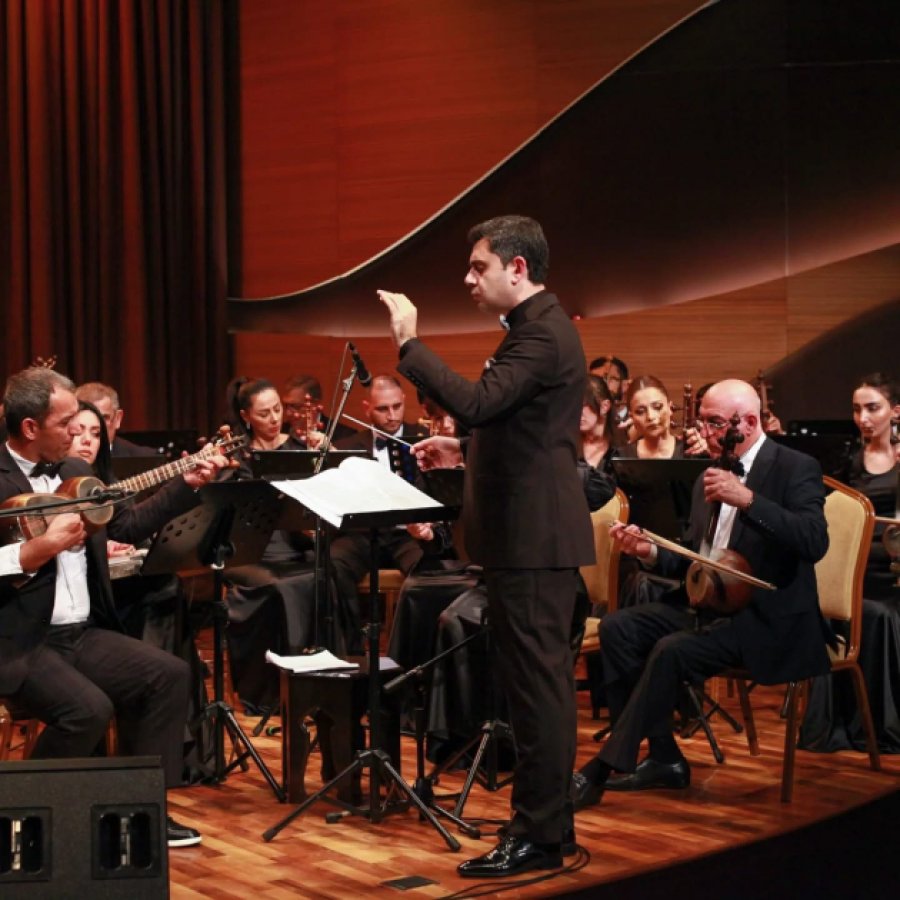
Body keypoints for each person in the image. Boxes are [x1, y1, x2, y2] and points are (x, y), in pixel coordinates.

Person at [378, 214, 594, 878]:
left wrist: (410, 342)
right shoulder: (534, 329)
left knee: (538, 691)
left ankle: (539, 835)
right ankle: (545, 829)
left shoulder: (542, 332)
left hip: (533, 538)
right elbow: (515, 422)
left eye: (479, 267)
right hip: (523, 536)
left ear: (517, 268)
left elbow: (476, 401)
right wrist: (465, 447)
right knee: (533, 688)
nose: (469, 279)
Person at [571, 378, 832, 810]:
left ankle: (602, 767)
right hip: (712, 607)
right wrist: (651, 552)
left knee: (672, 650)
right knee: (619, 628)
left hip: (767, 617)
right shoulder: (706, 478)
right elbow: (698, 563)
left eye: (713, 423)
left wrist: (748, 500)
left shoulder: (794, 466)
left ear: (748, 423)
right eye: (702, 422)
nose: (703, 433)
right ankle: (664, 757)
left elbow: (814, 541)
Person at [0, 367, 227, 846]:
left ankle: (140, 815)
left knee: (168, 675)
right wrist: (40, 548)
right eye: (66, 424)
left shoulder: (74, 471)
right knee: (88, 710)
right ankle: (20, 820)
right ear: (30, 427)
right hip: (20, 642)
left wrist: (186, 483)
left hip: (79, 634)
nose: (79, 435)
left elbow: (126, 524)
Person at [800, 373, 900, 752]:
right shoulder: (846, 460)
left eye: (873, 408)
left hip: (893, 572)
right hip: (852, 571)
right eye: (857, 410)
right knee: (838, 610)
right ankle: (842, 720)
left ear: (895, 411)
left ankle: (880, 723)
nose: (863, 418)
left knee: (883, 615)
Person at [329, 375, 433, 653]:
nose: (392, 415)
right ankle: (353, 653)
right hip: (364, 534)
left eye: (397, 406)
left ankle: (411, 654)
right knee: (334, 563)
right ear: (367, 409)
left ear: (404, 401)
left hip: (407, 534)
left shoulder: (423, 440)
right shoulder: (348, 446)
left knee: (427, 567)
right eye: (382, 409)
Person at [614, 375, 707, 459]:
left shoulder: (692, 451)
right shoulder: (621, 457)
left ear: (670, 408)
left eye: (657, 407)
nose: (650, 416)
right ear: (632, 417)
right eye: (640, 411)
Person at [75, 381, 158, 457]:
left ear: (118, 419)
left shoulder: (146, 458)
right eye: (86, 419)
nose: (96, 425)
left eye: (103, 418)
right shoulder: (67, 459)